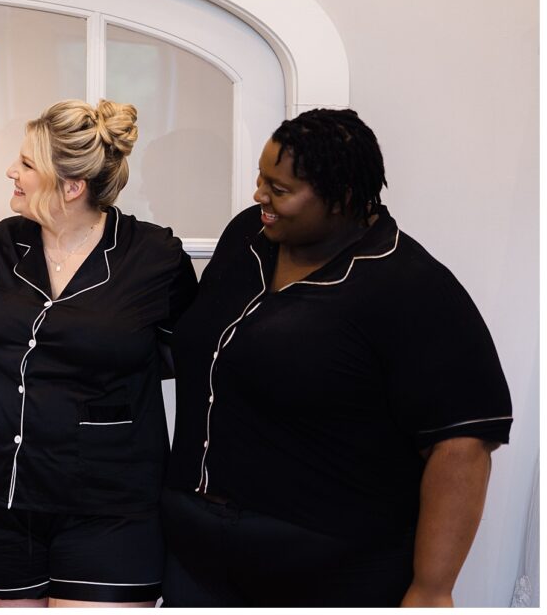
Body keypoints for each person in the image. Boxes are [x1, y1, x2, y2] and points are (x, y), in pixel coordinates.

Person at [162, 109, 513, 607]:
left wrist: (432, 590)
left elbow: (461, 445)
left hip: (330, 566)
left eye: (279, 189)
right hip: (195, 552)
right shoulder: (247, 238)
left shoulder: (409, 286)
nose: (260, 195)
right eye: (261, 179)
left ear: (342, 197)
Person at [0, 99, 197, 609]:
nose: (10, 172)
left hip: (112, 504)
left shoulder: (154, 256)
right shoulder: (0, 246)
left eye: (26, 165)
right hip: (1, 495)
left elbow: (191, 360)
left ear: (72, 187)